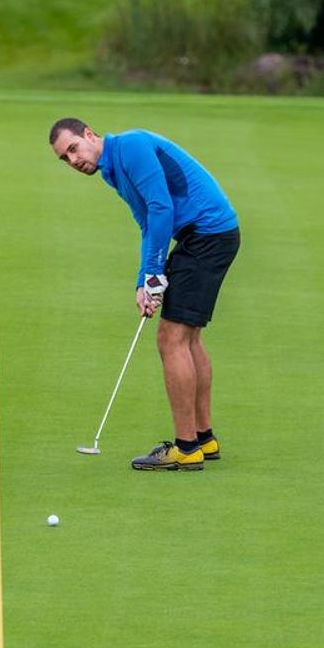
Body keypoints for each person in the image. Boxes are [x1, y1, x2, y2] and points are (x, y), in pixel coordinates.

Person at [49, 118, 241, 471]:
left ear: (89, 134)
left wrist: (155, 271)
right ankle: (204, 439)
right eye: (65, 158)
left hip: (206, 235)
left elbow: (161, 207)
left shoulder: (131, 146)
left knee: (171, 339)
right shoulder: (111, 171)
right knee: (189, 339)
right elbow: (147, 223)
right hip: (204, 237)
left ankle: (186, 449)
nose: (73, 161)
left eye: (73, 148)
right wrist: (145, 280)